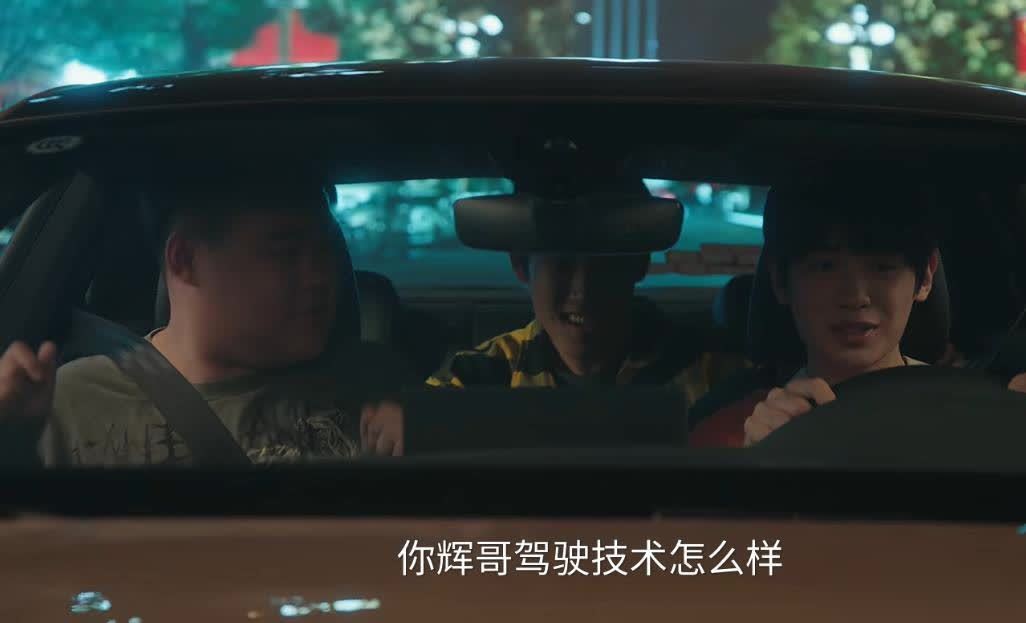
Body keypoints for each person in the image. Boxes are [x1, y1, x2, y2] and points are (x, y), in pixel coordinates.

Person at [0, 179, 412, 466]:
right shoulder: (62, 406)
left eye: (325, 251)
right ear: (185, 261)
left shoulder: (374, 379)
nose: (320, 276)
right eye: (285, 253)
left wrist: (427, 429)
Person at [689, 179, 1026, 448]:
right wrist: (757, 466)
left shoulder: (981, 410)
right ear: (780, 281)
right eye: (824, 267)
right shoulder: (732, 432)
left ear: (925, 277)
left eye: (883, 267)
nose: (855, 297)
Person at [426, 251, 746, 400]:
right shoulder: (478, 375)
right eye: (562, 265)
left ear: (639, 264)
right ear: (521, 266)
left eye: (605, 263)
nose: (583, 290)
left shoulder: (714, 374)